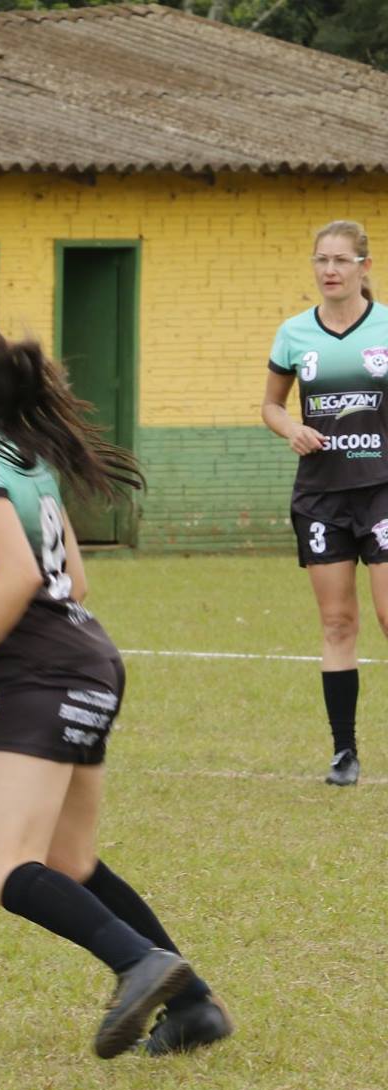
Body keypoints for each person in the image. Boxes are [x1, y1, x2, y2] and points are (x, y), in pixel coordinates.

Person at [0, 315, 231, 1058]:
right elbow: (71, 578)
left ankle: (140, 963)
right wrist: (4, 674)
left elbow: (22, 576)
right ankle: (195, 1007)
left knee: (1, 866)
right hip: (82, 659)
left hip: (51, 669)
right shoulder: (25, 455)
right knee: (69, 862)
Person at [262, 219, 388, 786]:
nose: (330, 270)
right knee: (337, 621)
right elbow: (271, 405)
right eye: (321, 260)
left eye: (341, 260)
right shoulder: (294, 334)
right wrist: (289, 427)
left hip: (382, 489)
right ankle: (344, 753)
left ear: (364, 266)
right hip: (321, 496)